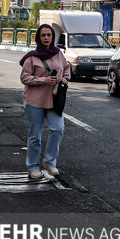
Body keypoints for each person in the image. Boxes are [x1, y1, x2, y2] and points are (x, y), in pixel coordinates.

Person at [19, 24, 70, 179]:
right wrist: (43, 79)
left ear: (52, 37)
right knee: (35, 135)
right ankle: (33, 167)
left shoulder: (58, 53)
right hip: (35, 101)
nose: (46, 38)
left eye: (49, 35)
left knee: (58, 129)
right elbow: (24, 77)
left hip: (54, 100)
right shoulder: (32, 57)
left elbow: (67, 68)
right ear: (38, 38)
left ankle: (49, 162)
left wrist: (65, 78)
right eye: (43, 35)